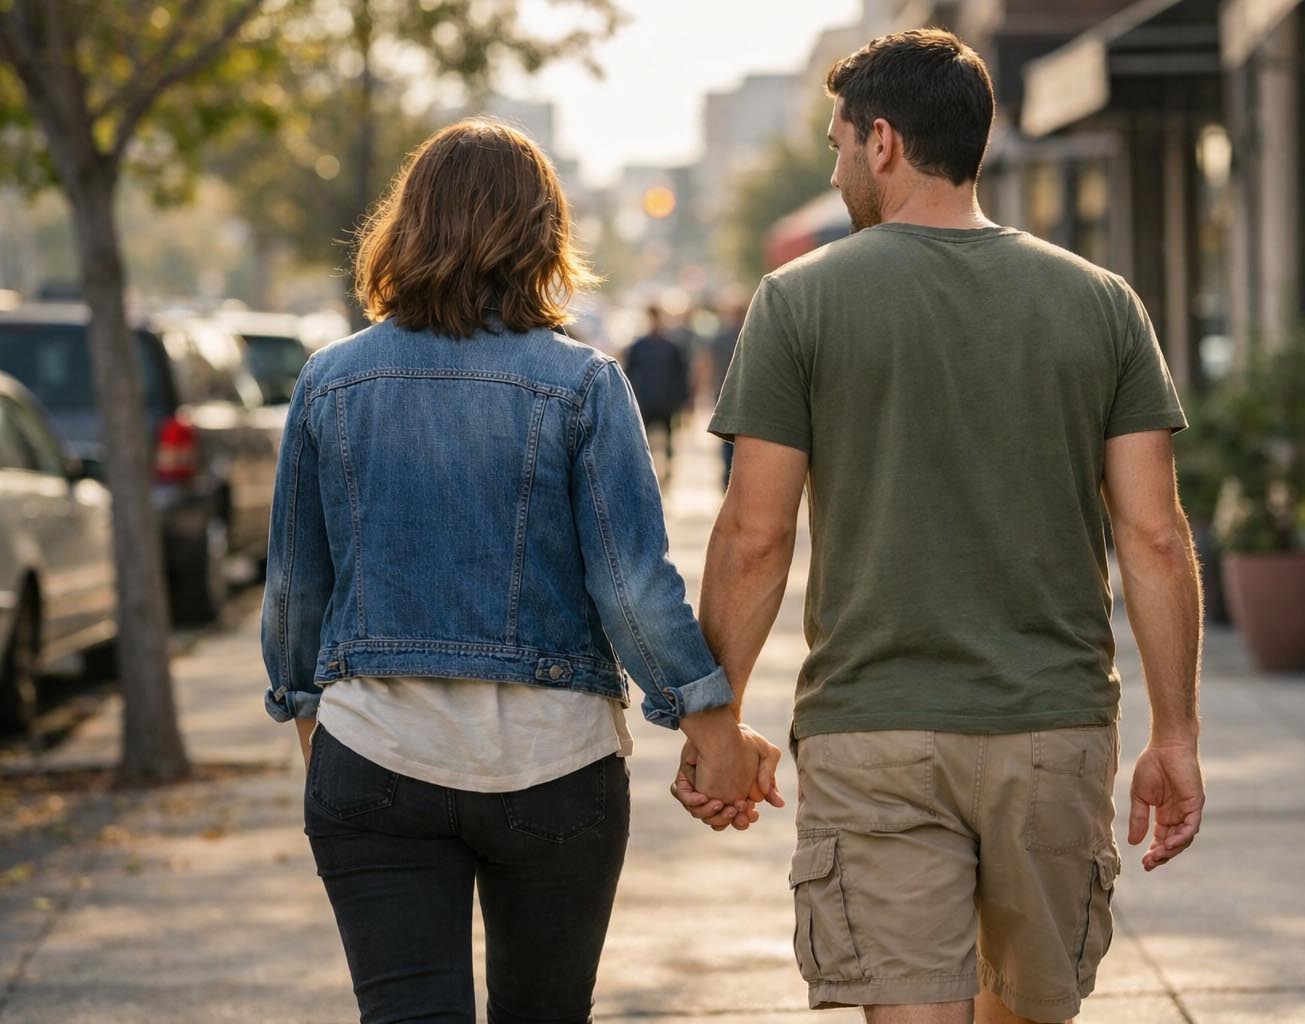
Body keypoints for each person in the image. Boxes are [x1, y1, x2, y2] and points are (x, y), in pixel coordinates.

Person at [672, 30, 1206, 1024]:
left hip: (872, 732)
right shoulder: (1102, 304)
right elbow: (1155, 539)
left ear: (882, 141)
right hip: (1051, 730)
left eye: (838, 145)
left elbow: (754, 535)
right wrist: (1175, 734)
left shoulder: (799, 301)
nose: (837, 170)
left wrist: (720, 719)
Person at [259, 118, 780, 1024]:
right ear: (543, 234)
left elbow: (295, 588)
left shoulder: (329, 381)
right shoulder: (581, 384)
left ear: (406, 227)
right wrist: (711, 723)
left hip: (374, 754)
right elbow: (630, 585)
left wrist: (312, 721)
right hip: (553, 766)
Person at [622, 305, 691, 487]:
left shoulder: (672, 347)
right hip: (644, 401)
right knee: (643, 440)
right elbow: (628, 374)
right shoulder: (638, 347)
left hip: (665, 401)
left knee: (668, 437)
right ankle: (647, 472)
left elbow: (681, 375)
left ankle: (667, 470)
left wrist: (684, 400)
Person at [708, 297, 747, 490]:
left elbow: (710, 364)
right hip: (745, 393)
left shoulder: (721, 337)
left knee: (726, 437)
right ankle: (739, 480)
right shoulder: (751, 336)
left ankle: (728, 481)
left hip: (724, 391)